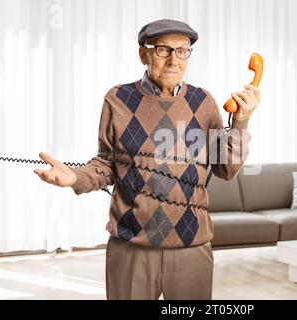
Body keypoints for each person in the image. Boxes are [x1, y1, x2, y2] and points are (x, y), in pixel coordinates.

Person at [33, 19, 260, 300]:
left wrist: (241, 122)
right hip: (132, 246)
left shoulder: (204, 103)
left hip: (192, 247)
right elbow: (106, 165)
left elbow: (227, 168)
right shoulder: (117, 99)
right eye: (163, 50)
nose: (173, 60)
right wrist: (75, 177)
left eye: (182, 50)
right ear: (144, 54)